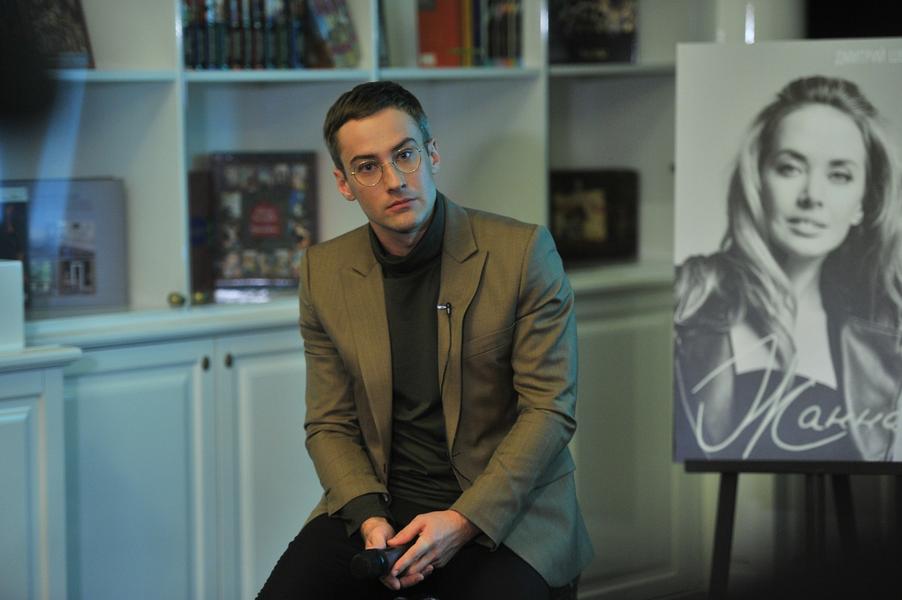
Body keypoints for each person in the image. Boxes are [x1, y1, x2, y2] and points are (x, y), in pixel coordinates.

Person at [258, 81, 593, 599]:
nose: (395, 180)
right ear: (344, 183)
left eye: (405, 154)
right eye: (367, 167)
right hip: (381, 504)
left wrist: (463, 520)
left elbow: (550, 410)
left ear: (431, 153)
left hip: (506, 511)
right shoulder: (325, 272)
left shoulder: (522, 253)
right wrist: (369, 518)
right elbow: (329, 423)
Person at [674, 75, 902, 461]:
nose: (812, 196)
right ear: (757, 180)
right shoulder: (687, 297)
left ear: (863, 204)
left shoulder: (885, 331)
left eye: (839, 175)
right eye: (790, 168)